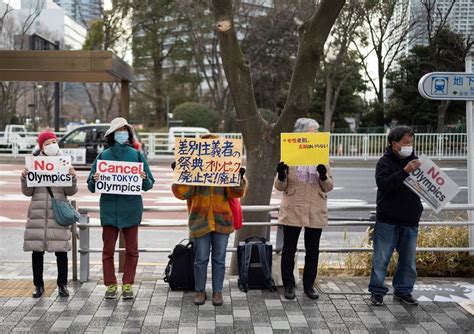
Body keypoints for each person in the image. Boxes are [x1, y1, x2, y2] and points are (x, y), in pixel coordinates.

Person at [171, 134, 247, 306]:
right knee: (201, 258)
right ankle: (199, 291)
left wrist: (239, 177)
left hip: (222, 221)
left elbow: (236, 193)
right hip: (200, 221)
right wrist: (178, 174)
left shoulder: (224, 168)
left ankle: (217, 292)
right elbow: (183, 193)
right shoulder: (193, 170)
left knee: (219, 259)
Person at [87, 117, 155, 300]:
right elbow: (90, 185)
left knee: (132, 251)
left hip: (131, 209)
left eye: (124, 131)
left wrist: (143, 177)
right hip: (109, 210)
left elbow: (149, 184)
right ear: (112, 135)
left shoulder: (137, 155)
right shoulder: (103, 156)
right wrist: (95, 179)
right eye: (119, 131)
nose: (122, 134)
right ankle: (110, 285)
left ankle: (127, 284)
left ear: (129, 134)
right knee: (107, 251)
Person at [274, 118, 333, 300]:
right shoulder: (289, 156)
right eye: (311, 132)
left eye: (316, 132)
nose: (314, 135)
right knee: (289, 249)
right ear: (301, 134)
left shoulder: (322, 157)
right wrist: (282, 174)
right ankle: (289, 285)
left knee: (312, 250)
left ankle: (309, 286)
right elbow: (279, 186)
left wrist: (323, 175)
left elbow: (329, 186)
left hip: (315, 207)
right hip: (293, 207)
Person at [368, 126, 422, 306]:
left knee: (408, 260)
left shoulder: (417, 161)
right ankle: (377, 292)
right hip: (387, 219)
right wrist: (405, 171)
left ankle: (403, 291)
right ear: (394, 144)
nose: (409, 146)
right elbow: (384, 185)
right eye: (405, 142)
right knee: (381, 258)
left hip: (410, 218)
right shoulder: (384, 162)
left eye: (411, 142)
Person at [21, 130, 78, 298]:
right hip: (38, 213)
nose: (52, 145)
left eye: (54, 141)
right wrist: (24, 178)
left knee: (61, 250)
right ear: (41, 147)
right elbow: (28, 191)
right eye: (47, 143)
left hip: (57, 213)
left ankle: (62, 285)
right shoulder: (34, 163)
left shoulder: (63, 162)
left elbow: (71, 191)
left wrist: (72, 177)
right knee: (37, 251)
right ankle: (38, 285)